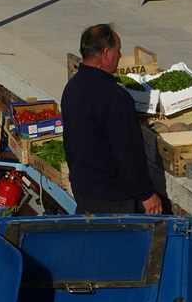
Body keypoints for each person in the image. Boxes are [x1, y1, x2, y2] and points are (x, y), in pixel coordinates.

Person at [61, 24, 162, 215]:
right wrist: (147, 194)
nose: (120, 55)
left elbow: (69, 143)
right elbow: (128, 153)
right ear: (106, 53)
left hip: (84, 190)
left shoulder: (72, 87)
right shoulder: (115, 98)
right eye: (119, 50)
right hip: (111, 198)